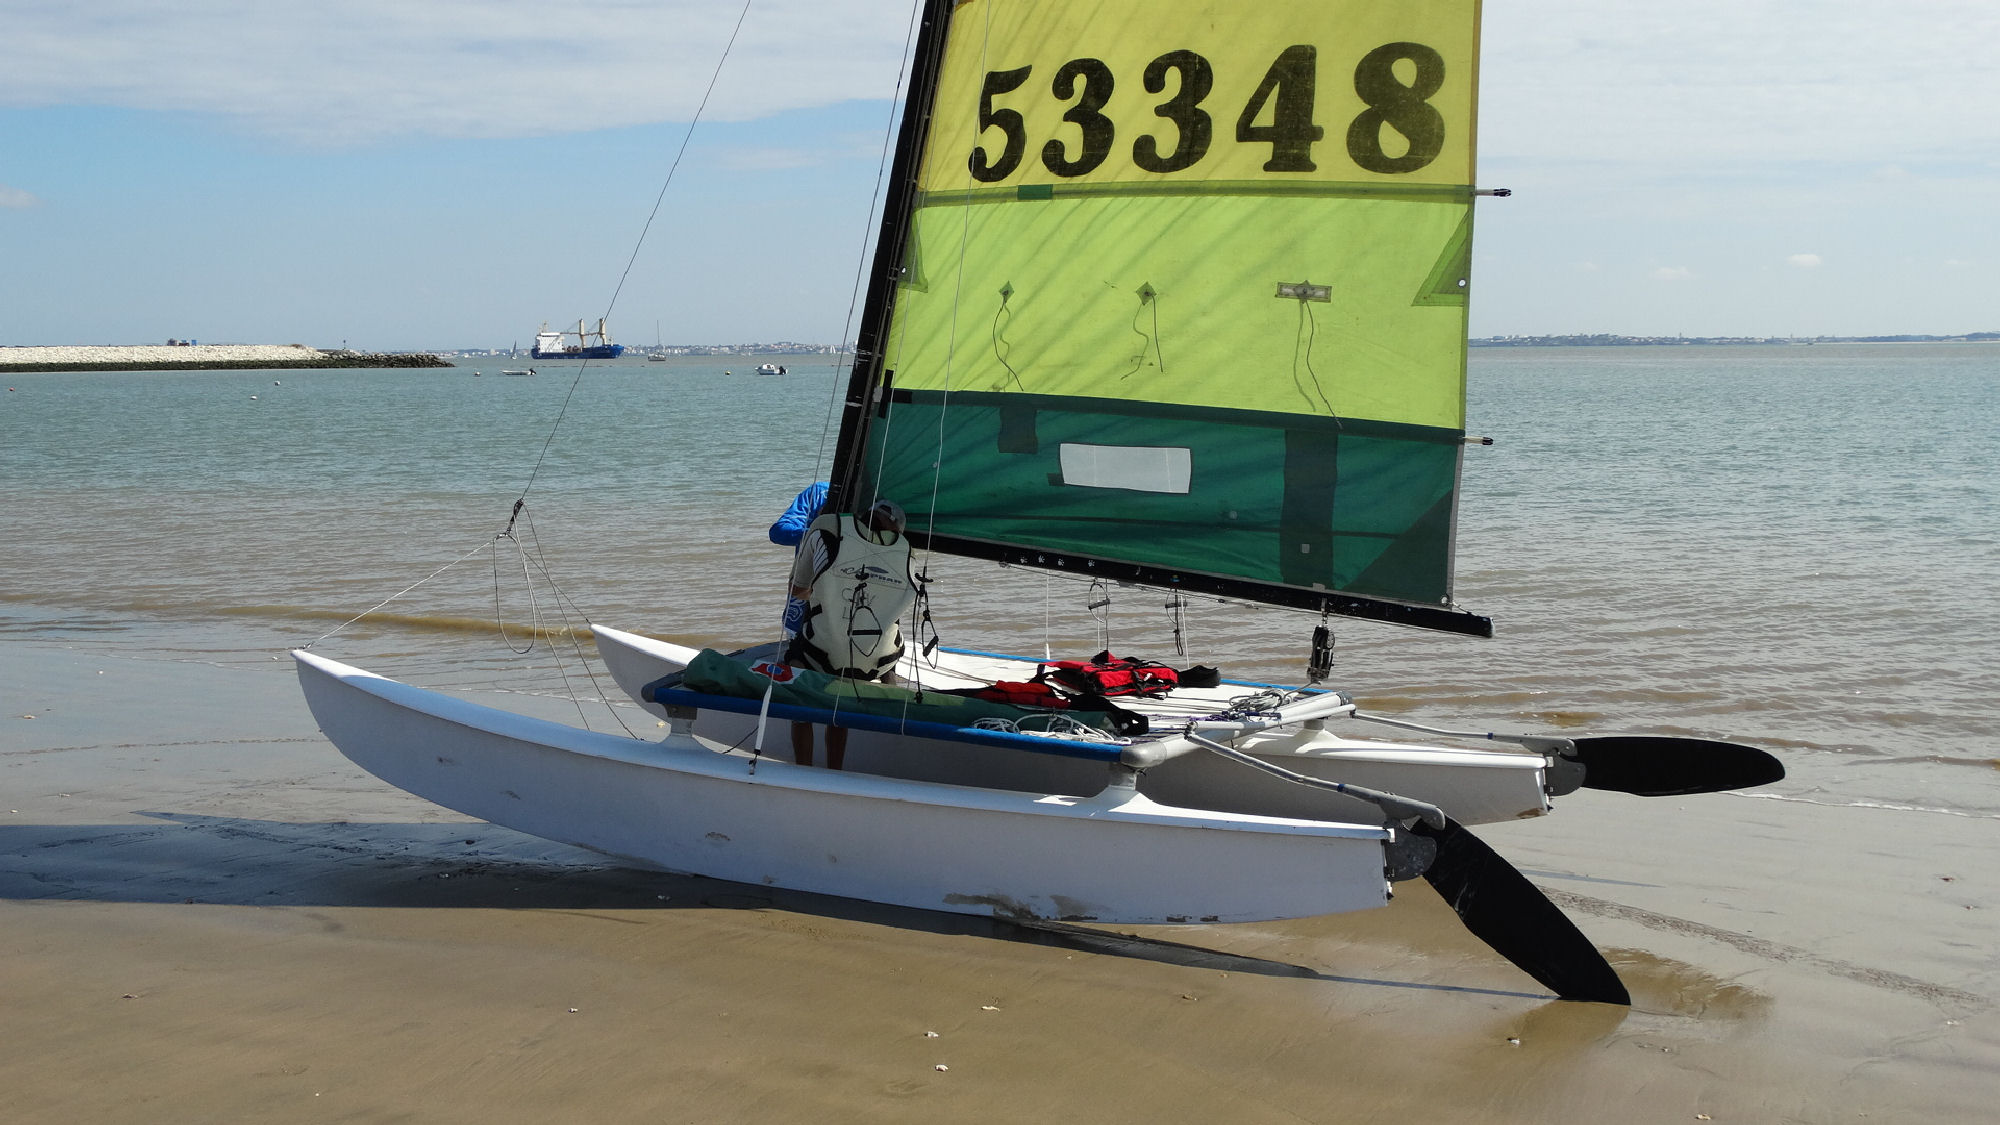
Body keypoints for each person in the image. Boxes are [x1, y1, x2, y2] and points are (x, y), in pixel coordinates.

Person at [784, 498, 914, 770]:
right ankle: (836, 768)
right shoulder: (907, 551)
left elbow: (797, 588)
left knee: (801, 660)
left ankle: (803, 768)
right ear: (897, 530)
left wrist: (828, 595)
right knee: (864, 661)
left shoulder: (827, 525)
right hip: (876, 666)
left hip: (821, 654)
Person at [769, 481, 829, 639]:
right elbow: (778, 532)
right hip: (800, 613)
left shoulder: (874, 499)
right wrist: (819, 533)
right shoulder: (820, 493)